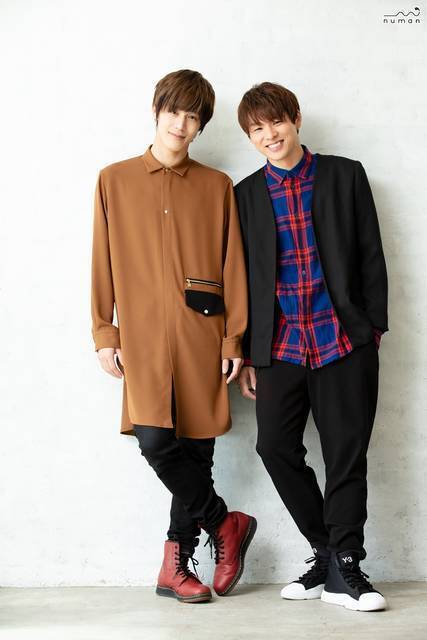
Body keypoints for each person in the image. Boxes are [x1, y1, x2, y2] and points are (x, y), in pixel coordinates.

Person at [91, 69, 256, 604]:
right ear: (156, 110)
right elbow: (101, 261)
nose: (181, 125)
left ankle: (175, 567)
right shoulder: (114, 180)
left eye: (192, 117)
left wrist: (233, 340)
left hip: (201, 334)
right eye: (174, 112)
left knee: (196, 451)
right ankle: (224, 522)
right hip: (140, 339)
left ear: (201, 125)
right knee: (156, 442)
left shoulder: (217, 186)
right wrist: (104, 330)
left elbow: (233, 265)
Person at [235, 82, 388, 612]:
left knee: (346, 454)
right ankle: (327, 552)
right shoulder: (245, 195)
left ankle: (347, 564)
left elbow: (371, 252)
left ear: (295, 118)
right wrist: (249, 352)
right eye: (256, 130)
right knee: (274, 448)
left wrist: (372, 329)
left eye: (276, 122)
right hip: (280, 346)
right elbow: (243, 279)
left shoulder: (345, 175)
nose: (269, 135)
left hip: (342, 339)